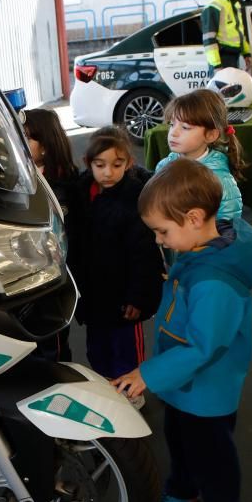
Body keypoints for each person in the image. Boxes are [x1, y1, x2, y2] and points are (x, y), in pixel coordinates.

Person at [112, 160, 252, 502]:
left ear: (195, 218)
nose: (160, 241)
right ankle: (183, 489)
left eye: (163, 231)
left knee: (212, 456)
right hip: (184, 383)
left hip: (205, 388)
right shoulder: (204, 247)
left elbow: (204, 346)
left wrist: (147, 373)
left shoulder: (214, 282)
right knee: (179, 438)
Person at [66, 127, 162, 381]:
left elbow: (144, 254)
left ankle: (131, 389)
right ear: (89, 163)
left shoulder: (136, 199)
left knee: (126, 348)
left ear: (129, 163)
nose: (108, 172)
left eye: (117, 165)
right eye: (100, 165)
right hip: (93, 293)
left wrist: (138, 297)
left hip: (124, 296)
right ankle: (106, 385)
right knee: (97, 347)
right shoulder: (80, 195)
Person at [23, 108, 78, 362]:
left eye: (27, 137)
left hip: (53, 279)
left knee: (52, 345)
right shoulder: (17, 177)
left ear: (45, 144)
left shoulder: (66, 182)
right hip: (24, 274)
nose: (19, 143)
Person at [155, 89, 245, 221]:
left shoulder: (219, 181)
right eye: (172, 124)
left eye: (185, 127)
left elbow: (227, 224)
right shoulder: (163, 166)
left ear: (211, 135)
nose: (173, 133)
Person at [201, 0, 252, 76]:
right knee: (221, 93)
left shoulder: (235, 4)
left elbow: (239, 33)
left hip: (234, 58)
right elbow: (209, 41)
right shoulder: (213, 7)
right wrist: (217, 66)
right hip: (222, 60)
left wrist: (246, 53)